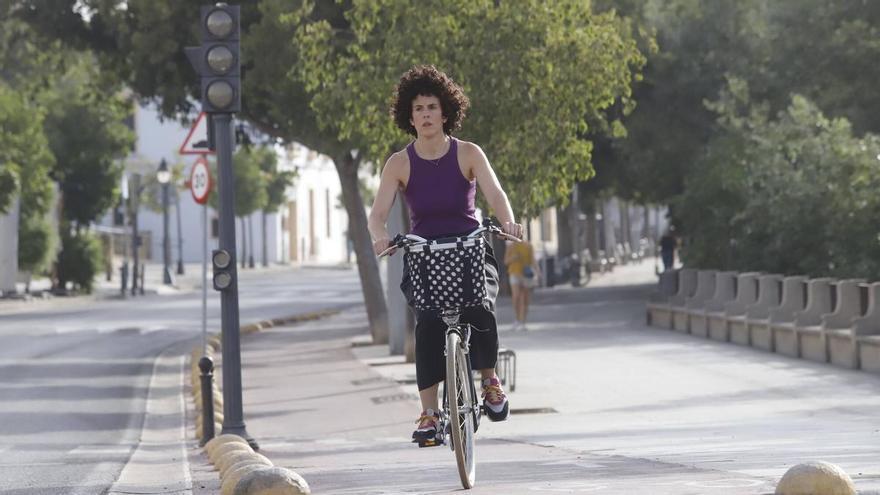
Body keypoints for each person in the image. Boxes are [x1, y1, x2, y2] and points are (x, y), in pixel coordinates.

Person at [368, 65, 523, 445]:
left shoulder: (468, 153)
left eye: (432, 107)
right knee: (428, 325)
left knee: (481, 307)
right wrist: (380, 237)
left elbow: (496, 194)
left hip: (468, 246)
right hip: (425, 254)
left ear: (445, 112)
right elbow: (377, 215)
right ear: (410, 115)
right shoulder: (399, 163)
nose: (425, 114)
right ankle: (429, 413)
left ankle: (489, 381)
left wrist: (509, 222)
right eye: (418, 108)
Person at [504, 235, 540, 331]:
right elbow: (506, 261)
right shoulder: (511, 246)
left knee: (525, 298)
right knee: (516, 297)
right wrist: (514, 258)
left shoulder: (528, 246)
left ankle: (523, 322)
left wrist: (538, 271)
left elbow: (533, 260)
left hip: (525, 274)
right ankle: (517, 319)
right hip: (514, 273)